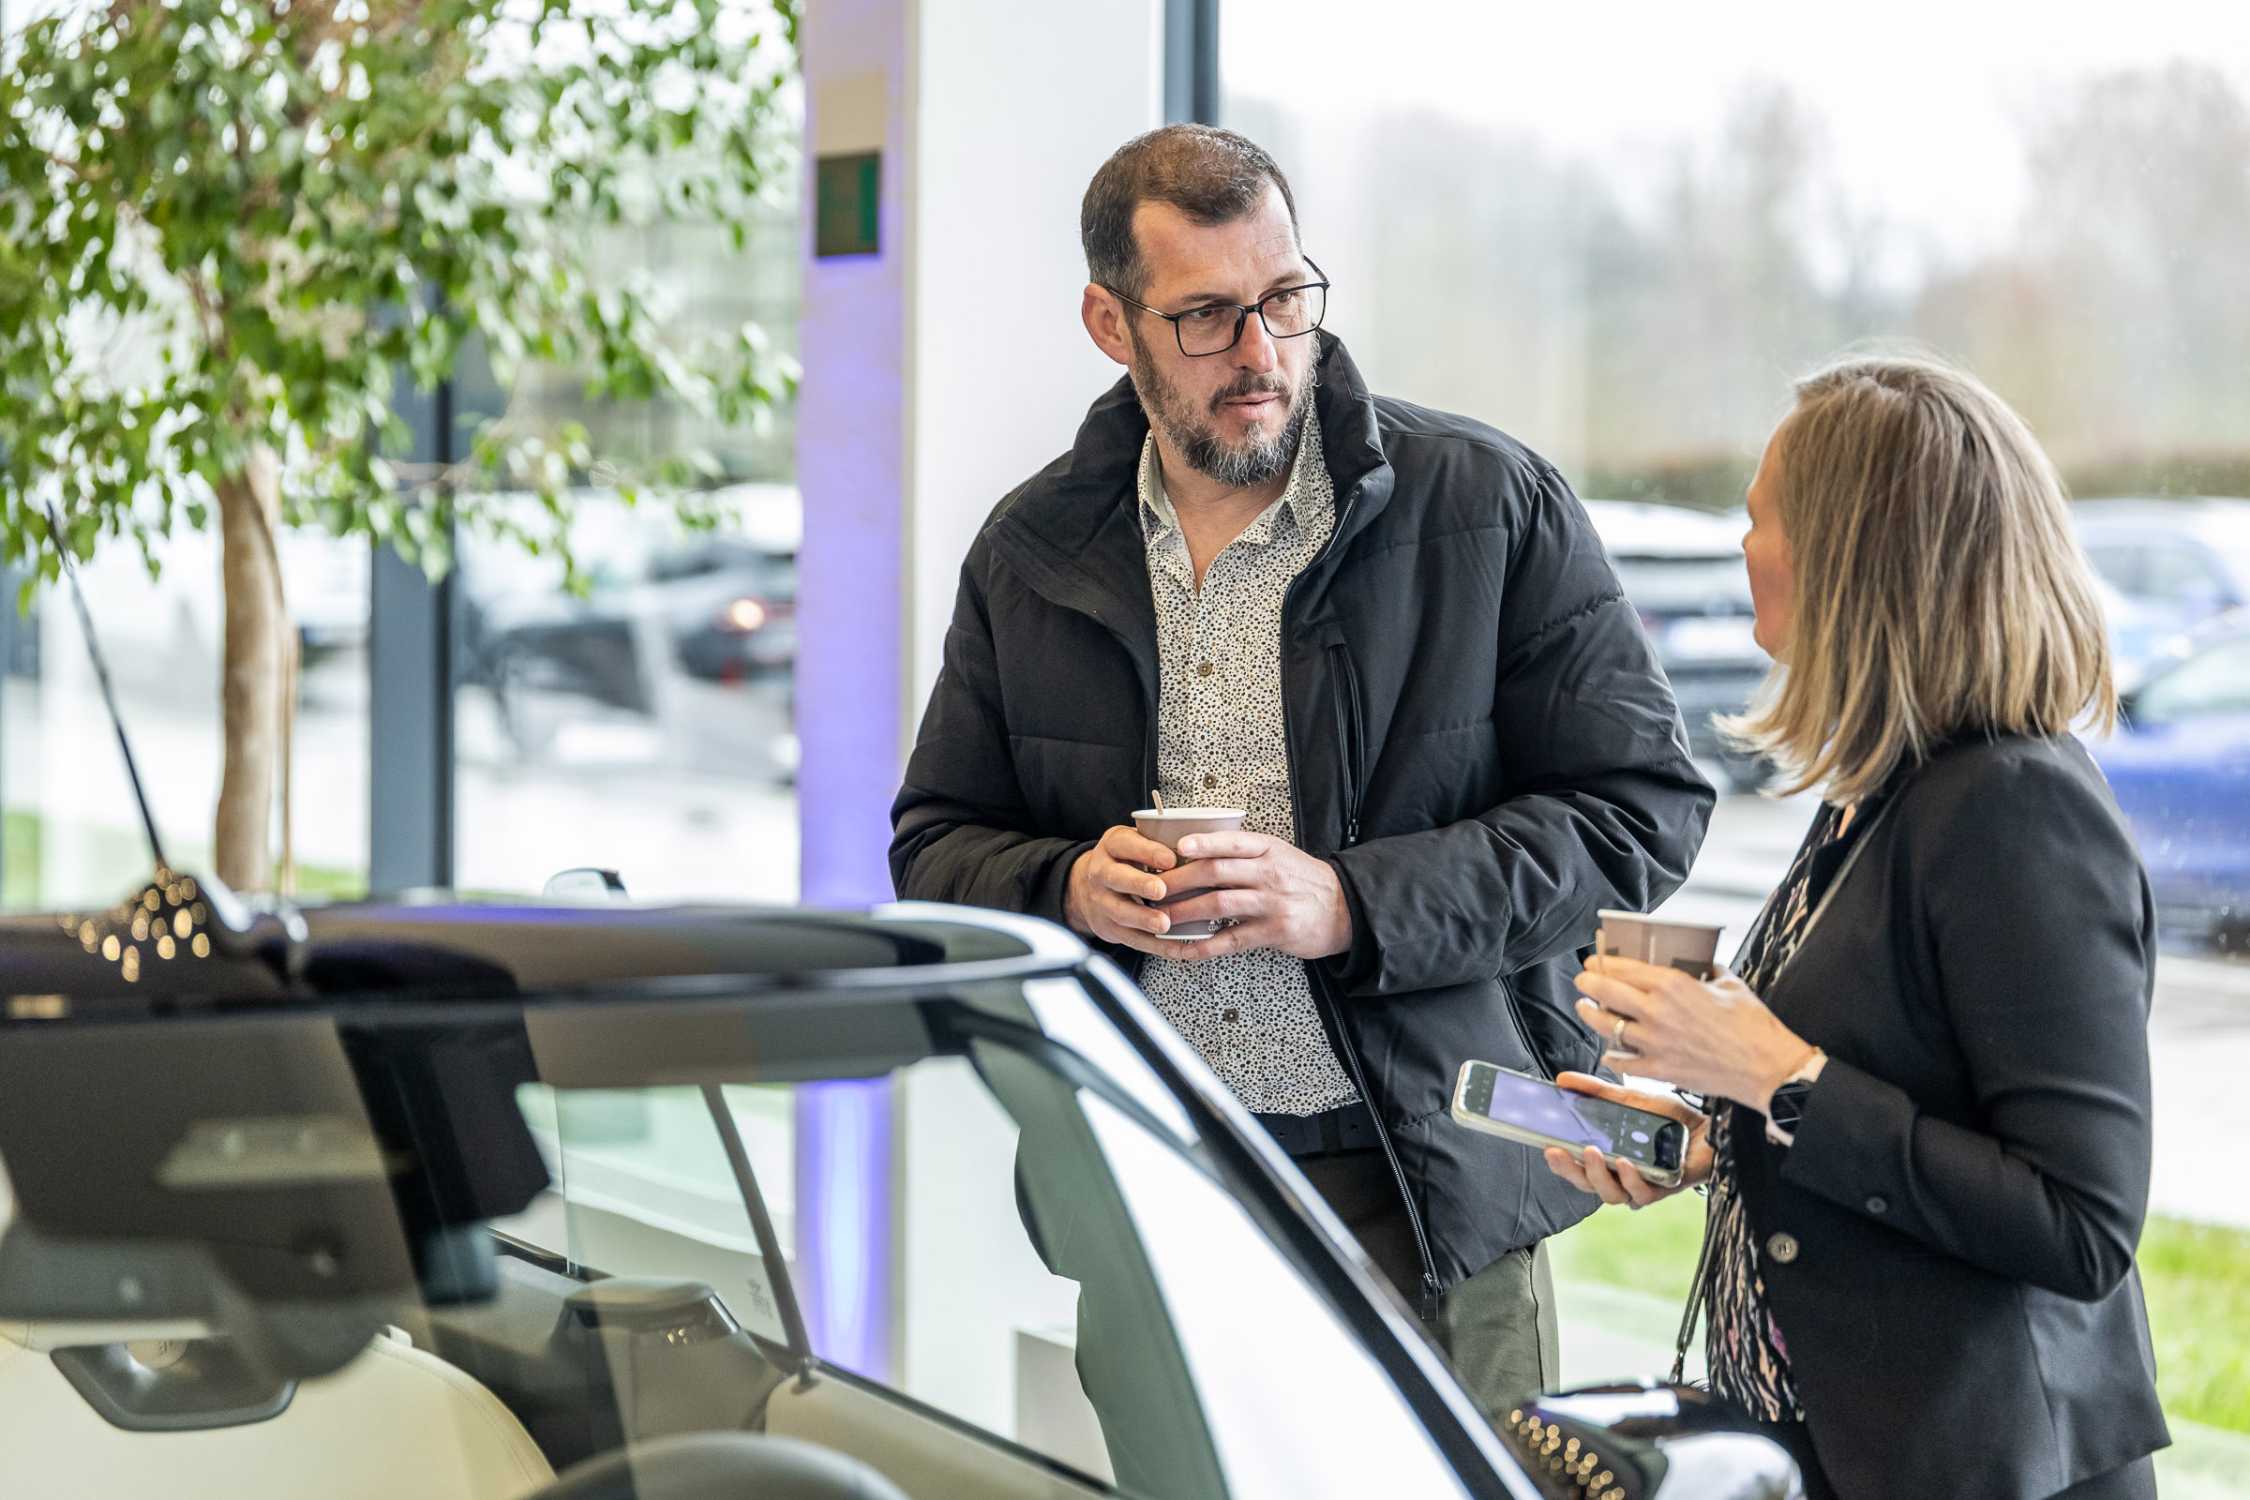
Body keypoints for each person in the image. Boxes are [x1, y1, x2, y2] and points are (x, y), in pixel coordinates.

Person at [890, 123, 1713, 1421]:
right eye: (1205, 318)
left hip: (1430, 1188)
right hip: (1147, 1179)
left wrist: (1350, 904)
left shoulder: (1488, 504)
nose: (1261, 353)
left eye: (1285, 298)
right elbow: (933, 842)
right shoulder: (1028, 551)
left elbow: (1640, 811)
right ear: (1110, 324)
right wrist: (1067, 888)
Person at [1546, 354, 2170, 1500]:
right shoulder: (1882, 787)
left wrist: (1776, 1079)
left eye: (1761, 519)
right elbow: (1889, 1095)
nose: (1742, 549)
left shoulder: (2013, 810)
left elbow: (2080, 1224)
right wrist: (1718, 1137)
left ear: (1850, 554)